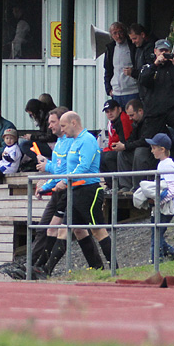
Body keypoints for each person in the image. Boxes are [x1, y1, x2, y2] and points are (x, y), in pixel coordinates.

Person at [38, 111, 108, 274]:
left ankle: (113, 268)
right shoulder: (68, 142)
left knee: (97, 230)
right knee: (69, 229)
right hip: (71, 189)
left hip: (83, 189)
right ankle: (45, 269)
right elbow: (64, 169)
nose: (60, 129)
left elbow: (78, 168)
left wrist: (61, 178)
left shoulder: (83, 140)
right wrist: (49, 185)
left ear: (73, 123)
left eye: (61, 125)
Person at [137, 38, 174, 162]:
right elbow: (143, 81)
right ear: (155, 51)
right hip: (154, 112)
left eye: (166, 51)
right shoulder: (148, 66)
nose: (163, 53)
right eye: (161, 51)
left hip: (172, 109)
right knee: (150, 141)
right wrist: (156, 64)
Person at [29, 106, 70, 273]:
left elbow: (65, 170)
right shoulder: (59, 142)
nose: (50, 126)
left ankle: (40, 267)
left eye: (53, 122)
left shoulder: (72, 141)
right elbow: (57, 170)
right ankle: (33, 265)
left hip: (72, 190)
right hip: (59, 190)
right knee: (43, 228)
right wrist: (45, 186)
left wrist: (48, 166)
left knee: (81, 232)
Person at [133, 133, 174, 262]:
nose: (152, 150)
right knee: (157, 233)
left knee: (157, 234)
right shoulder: (162, 164)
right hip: (160, 207)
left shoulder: (167, 164)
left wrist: (159, 200)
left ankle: (156, 261)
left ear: (162, 149)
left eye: (154, 148)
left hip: (166, 207)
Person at [110, 99, 155, 192]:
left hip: (152, 154)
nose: (130, 118)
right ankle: (125, 186)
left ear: (140, 111)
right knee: (122, 153)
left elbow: (144, 141)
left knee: (140, 151)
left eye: (132, 115)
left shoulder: (150, 121)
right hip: (142, 153)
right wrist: (122, 145)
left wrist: (126, 146)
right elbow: (132, 139)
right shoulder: (136, 123)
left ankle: (137, 187)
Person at [103, 21, 139, 108]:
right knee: (118, 120)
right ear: (111, 35)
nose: (118, 36)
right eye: (115, 33)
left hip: (132, 91)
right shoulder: (110, 48)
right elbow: (108, 70)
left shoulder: (133, 46)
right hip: (116, 93)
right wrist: (108, 89)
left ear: (125, 32)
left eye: (120, 32)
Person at [99, 98, 132, 189]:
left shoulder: (123, 119)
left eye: (112, 110)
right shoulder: (111, 123)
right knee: (101, 156)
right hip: (118, 148)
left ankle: (117, 185)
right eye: (107, 112)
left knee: (108, 156)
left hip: (127, 149)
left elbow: (125, 140)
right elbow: (111, 142)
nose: (110, 113)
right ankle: (110, 185)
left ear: (119, 109)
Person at [18, 97, 56, 161]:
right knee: (22, 141)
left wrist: (32, 137)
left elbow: (50, 137)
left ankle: (41, 161)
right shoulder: (43, 117)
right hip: (47, 143)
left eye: (32, 114)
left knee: (24, 144)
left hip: (51, 145)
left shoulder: (47, 118)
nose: (32, 116)